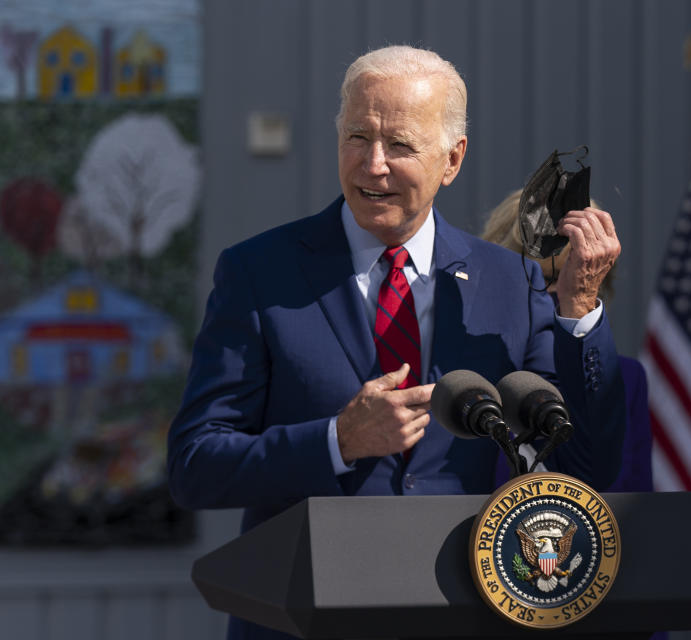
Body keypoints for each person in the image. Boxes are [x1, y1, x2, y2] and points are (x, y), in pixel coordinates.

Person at [167, 46, 626, 639]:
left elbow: (584, 465)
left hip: (461, 615)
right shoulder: (259, 273)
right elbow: (194, 466)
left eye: (400, 145)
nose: (373, 165)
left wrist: (580, 309)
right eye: (358, 136)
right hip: (305, 620)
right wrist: (337, 441)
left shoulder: (506, 282)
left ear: (451, 159)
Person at [482, 189, 653, 492]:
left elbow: (633, 505)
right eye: (534, 276)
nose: (550, 294)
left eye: (569, 276)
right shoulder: (464, 371)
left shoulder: (625, 380)